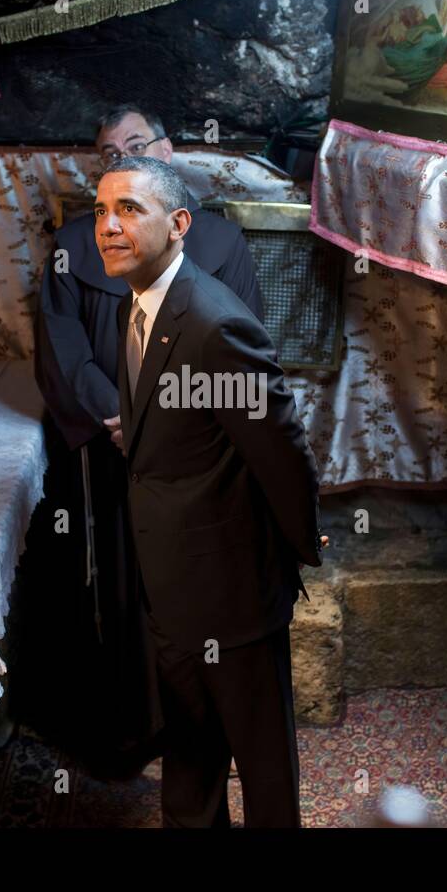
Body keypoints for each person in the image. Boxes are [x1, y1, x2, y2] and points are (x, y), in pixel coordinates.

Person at [25, 107, 262, 779]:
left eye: (136, 144)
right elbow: (63, 351)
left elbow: (242, 346)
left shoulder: (218, 242)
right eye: (108, 152)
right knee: (119, 591)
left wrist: (169, 423)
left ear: (168, 151)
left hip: (194, 454)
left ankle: (203, 726)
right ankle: (131, 728)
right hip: (109, 458)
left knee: (195, 588)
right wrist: (116, 415)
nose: (121, 156)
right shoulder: (75, 246)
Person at [98, 155, 324, 827]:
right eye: (101, 211)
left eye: (129, 209)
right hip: (170, 584)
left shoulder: (214, 323)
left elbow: (279, 447)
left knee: (262, 767)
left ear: (179, 224)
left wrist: (300, 545)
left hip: (234, 592)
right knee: (190, 752)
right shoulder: (134, 304)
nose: (108, 226)